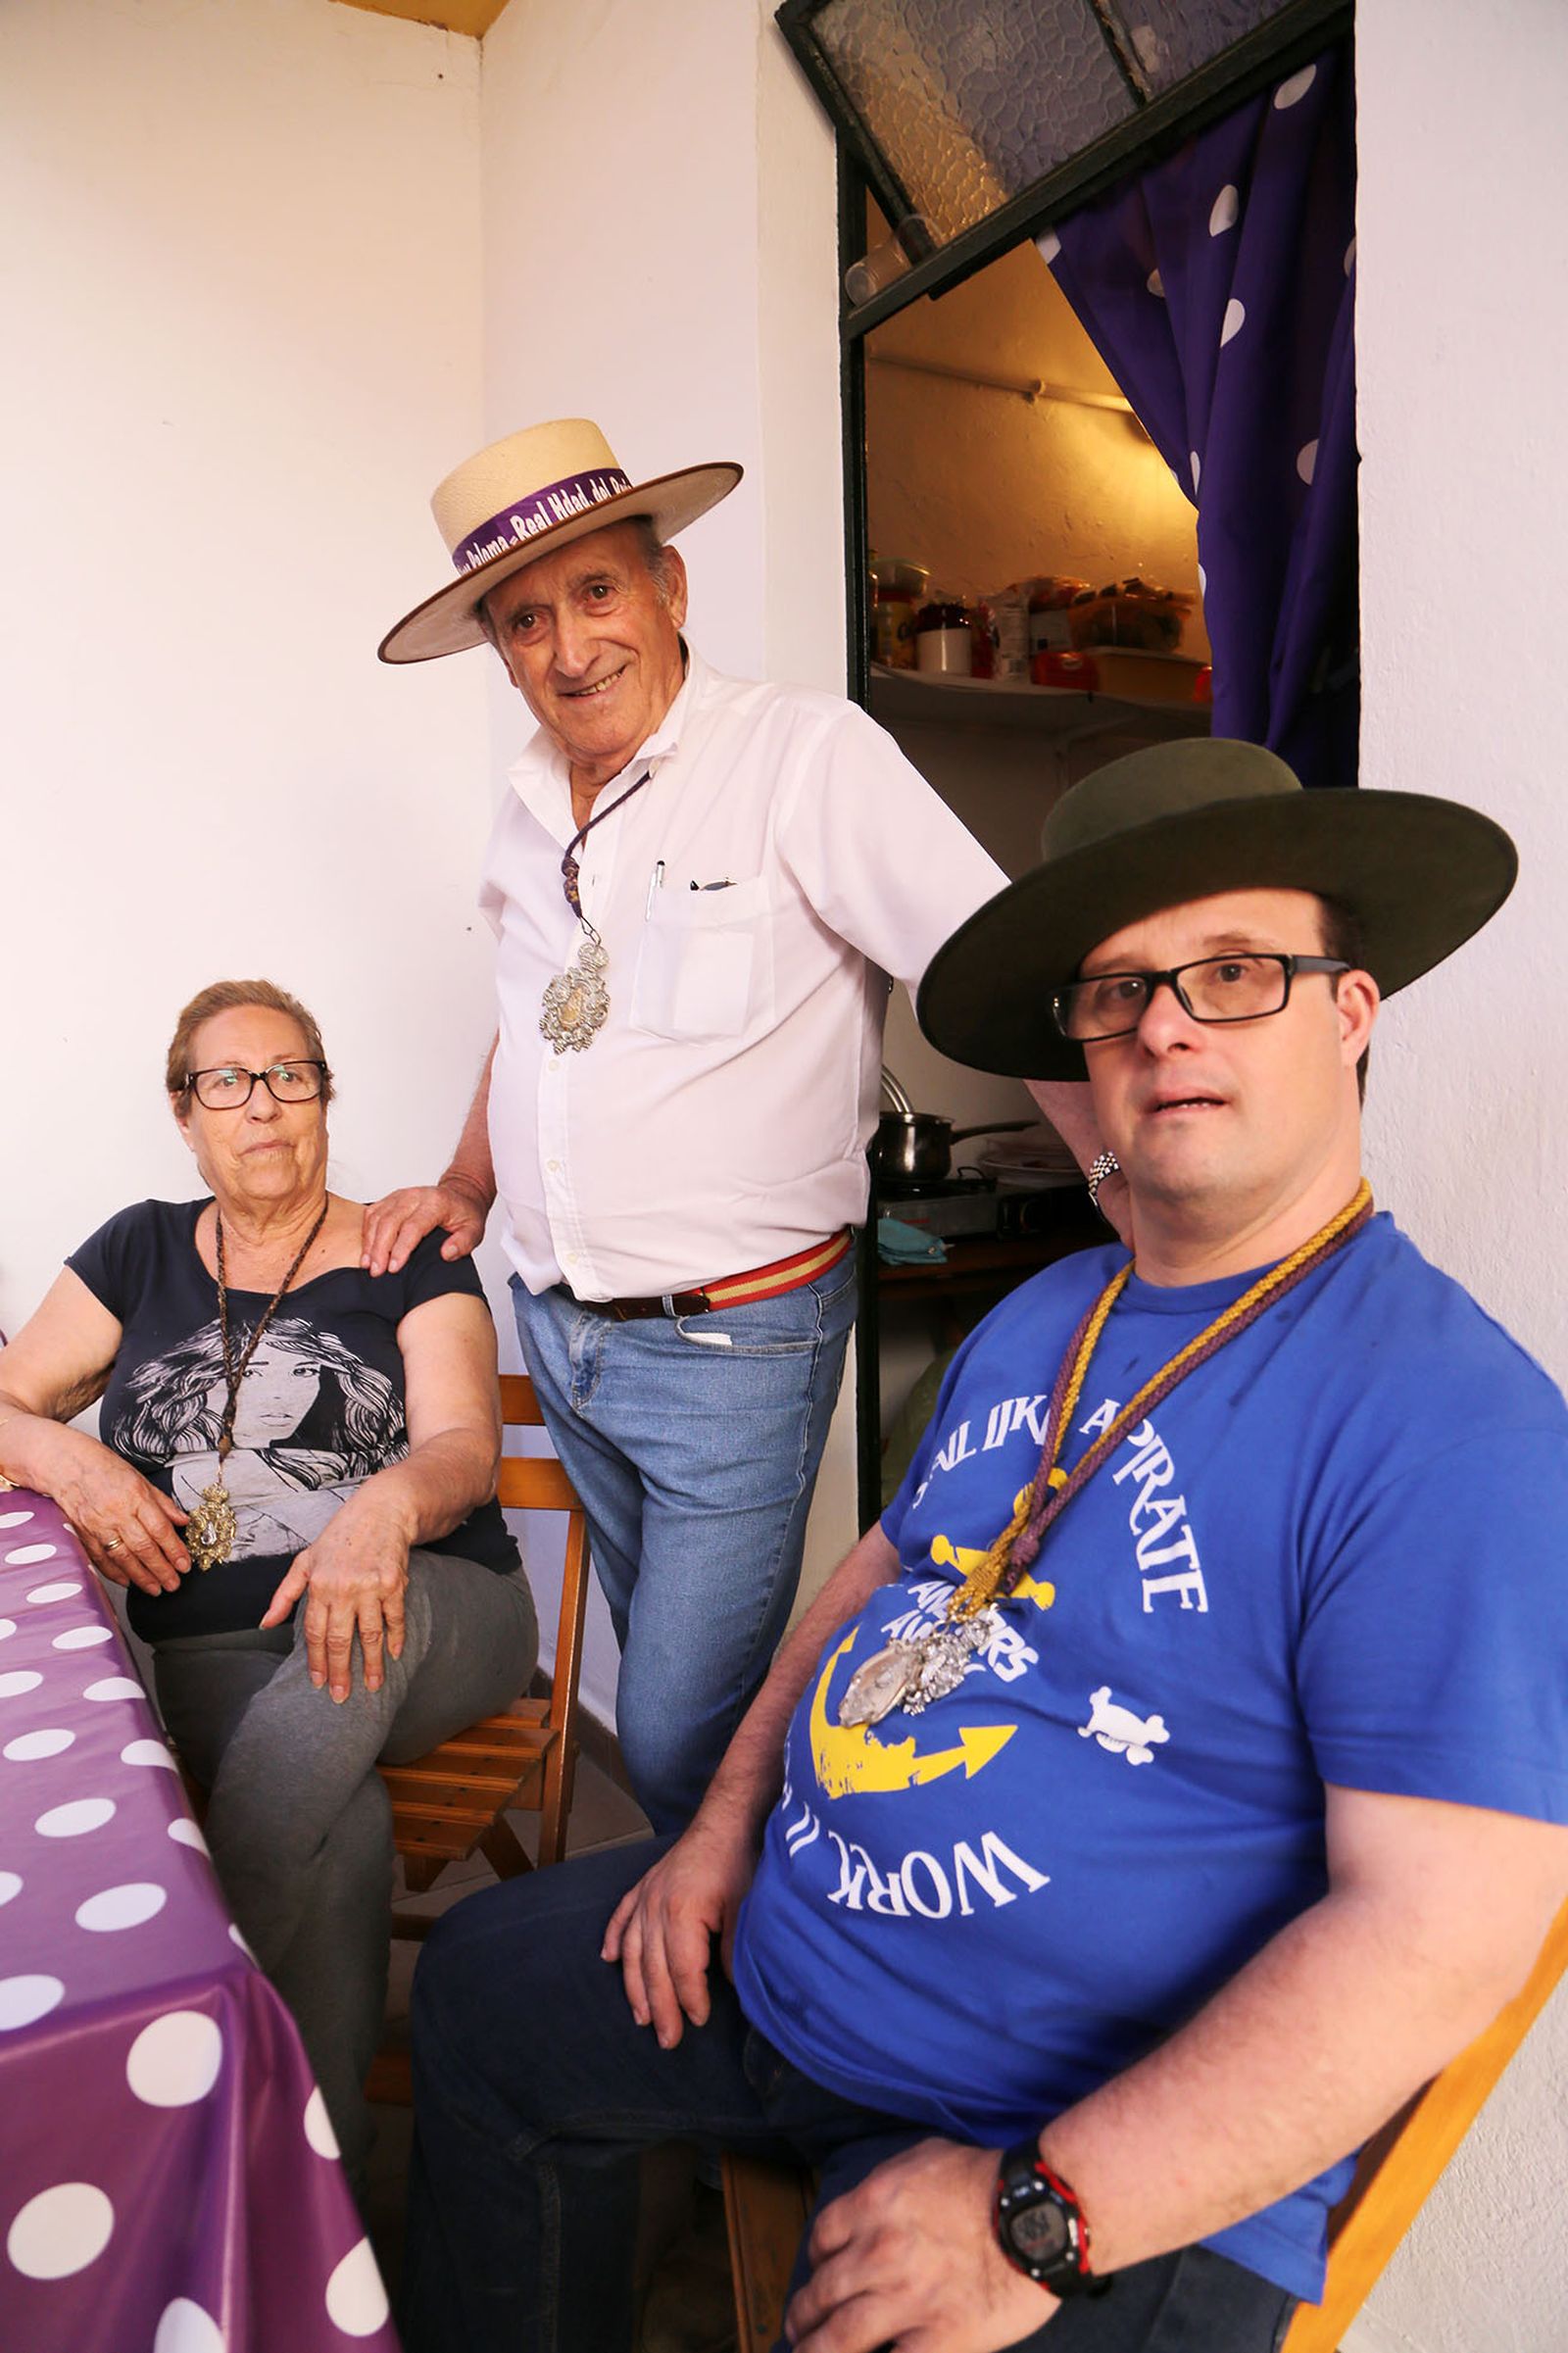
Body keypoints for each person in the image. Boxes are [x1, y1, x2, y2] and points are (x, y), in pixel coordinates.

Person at [397, 739, 1568, 2353]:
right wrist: (724, 1823)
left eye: (1232, 973)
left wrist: (1044, 2209)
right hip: (793, 1963)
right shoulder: (1046, 1318)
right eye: (1117, 991)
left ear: (1350, 1014)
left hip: (1072, 2135)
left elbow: (1438, 1937)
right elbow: (885, 1571)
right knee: (471, 1992)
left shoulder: (1447, 1424)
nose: (1161, 1024)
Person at [366, 415, 1105, 1832]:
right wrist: (471, 1177)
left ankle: (763, 1983)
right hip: (566, 1332)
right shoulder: (526, 806)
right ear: (500, 649)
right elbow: (528, 1016)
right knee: (681, 1694)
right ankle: (732, 1950)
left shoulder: (805, 754)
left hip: (733, 1341)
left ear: (670, 588)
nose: (569, 647)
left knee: (671, 1728)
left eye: (595, 593)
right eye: (526, 620)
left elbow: (997, 967)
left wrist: (1128, 1189)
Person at [0, 979, 537, 2195]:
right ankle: (315, 2198)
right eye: (227, 1081)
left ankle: (173, 2014)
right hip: (223, 1648)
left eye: (290, 1074)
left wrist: (380, 1514)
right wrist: (73, 1460)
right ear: (184, 1112)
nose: (263, 1105)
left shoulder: (408, 1250)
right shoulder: (136, 1247)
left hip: (438, 1603)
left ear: (326, 1096)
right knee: (337, 1834)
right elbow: (6, 1406)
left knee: (356, 1643)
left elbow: (461, 1446)